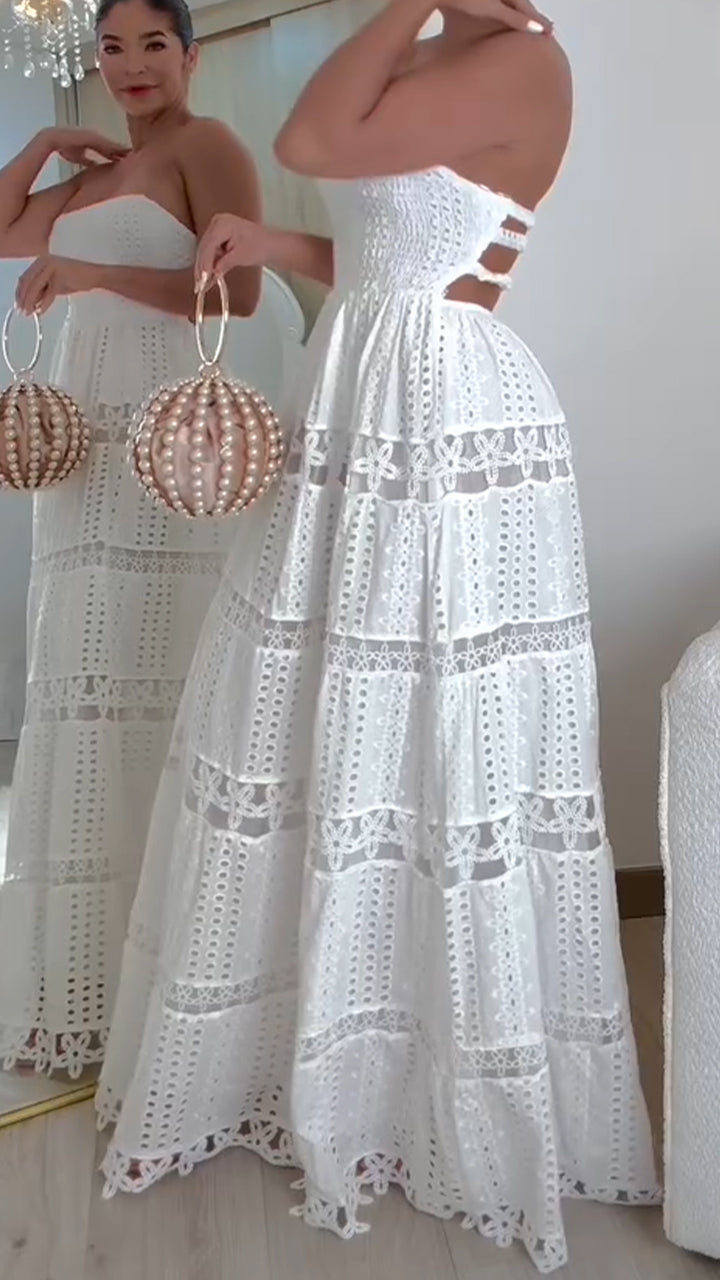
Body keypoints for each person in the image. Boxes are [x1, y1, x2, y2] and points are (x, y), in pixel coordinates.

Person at [96, 0, 659, 1270]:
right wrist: (271, 242)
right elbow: (385, 245)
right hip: (359, 401)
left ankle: (429, 1084)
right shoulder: (427, 55)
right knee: (304, 721)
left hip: (441, 419)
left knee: (429, 740)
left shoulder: (525, 59)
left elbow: (312, 137)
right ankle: (306, 1052)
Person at [0, 0, 261, 1079]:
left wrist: (95, 274)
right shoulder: (91, 174)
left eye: (155, 43)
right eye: (112, 47)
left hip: (163, 443)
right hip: (81, 458)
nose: (132, 65)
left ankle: (181, 985)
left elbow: (240, 293)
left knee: (165, 678)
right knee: (83, 684)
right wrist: (43, 143)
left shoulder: (207, 144)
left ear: (190, 54)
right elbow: (4, 231)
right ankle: (84, 983)